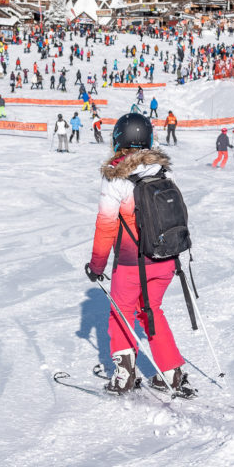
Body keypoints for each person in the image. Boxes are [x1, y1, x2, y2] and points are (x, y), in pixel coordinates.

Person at [84, 113, 192, 395]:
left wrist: (97, 265)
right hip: (166, 258)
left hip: (132, 263)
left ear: (119, 138)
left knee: (121, 313)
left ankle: (124, 375)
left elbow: (106, 227)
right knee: (151, 311)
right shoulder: (164, 171)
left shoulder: (116, 178)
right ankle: (171, 372)